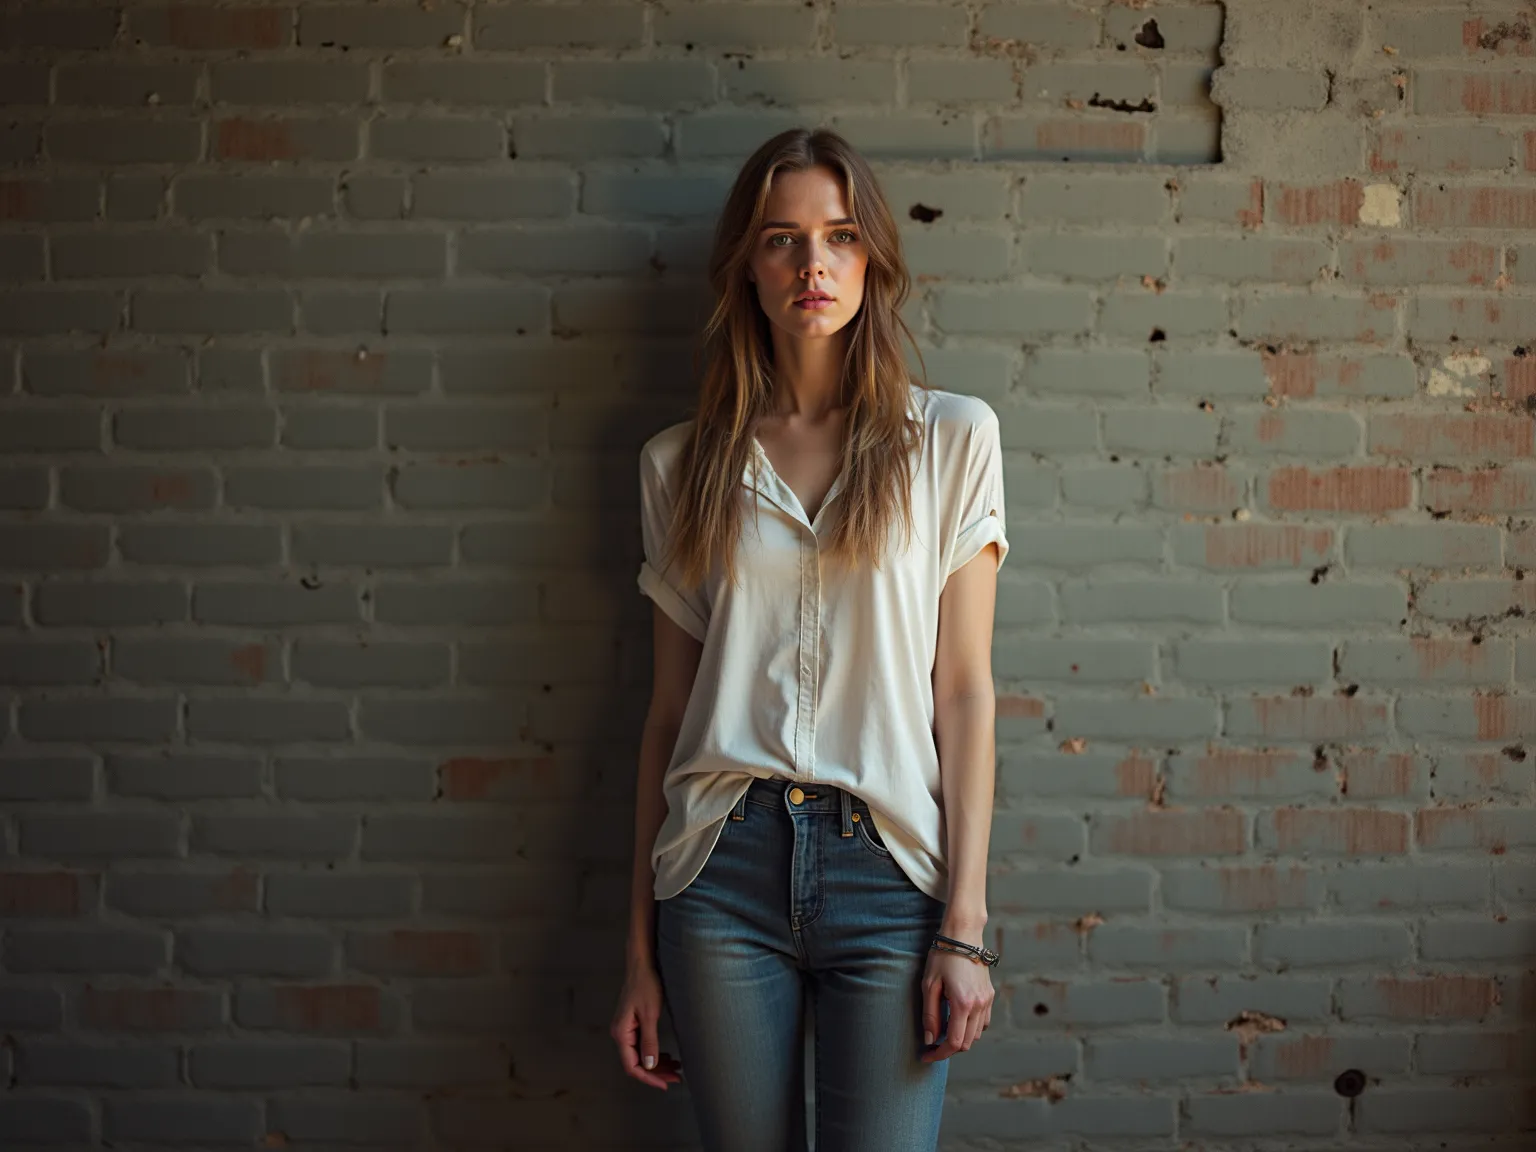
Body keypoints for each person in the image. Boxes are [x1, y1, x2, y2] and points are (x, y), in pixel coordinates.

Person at [609, 126, 1009, 1152]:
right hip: (720, 873)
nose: (814, 265)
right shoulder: (680, 464)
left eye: (839, 237)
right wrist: (639, 957)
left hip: (888, 873)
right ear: (748, 264)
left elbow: (963, 693)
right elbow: (666, 717)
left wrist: (964, 929)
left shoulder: (952, 441)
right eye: (783, 240)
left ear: (872, 257)